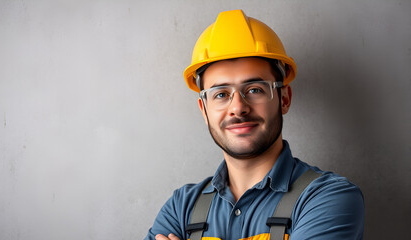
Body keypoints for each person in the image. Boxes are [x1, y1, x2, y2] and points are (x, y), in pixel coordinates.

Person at [145, 9, 364, 240]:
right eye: (220, 94)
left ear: (284, 99)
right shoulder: (180, 208)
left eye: (254, 90)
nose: (238, 107)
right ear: (204, 110)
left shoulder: (328, 197)